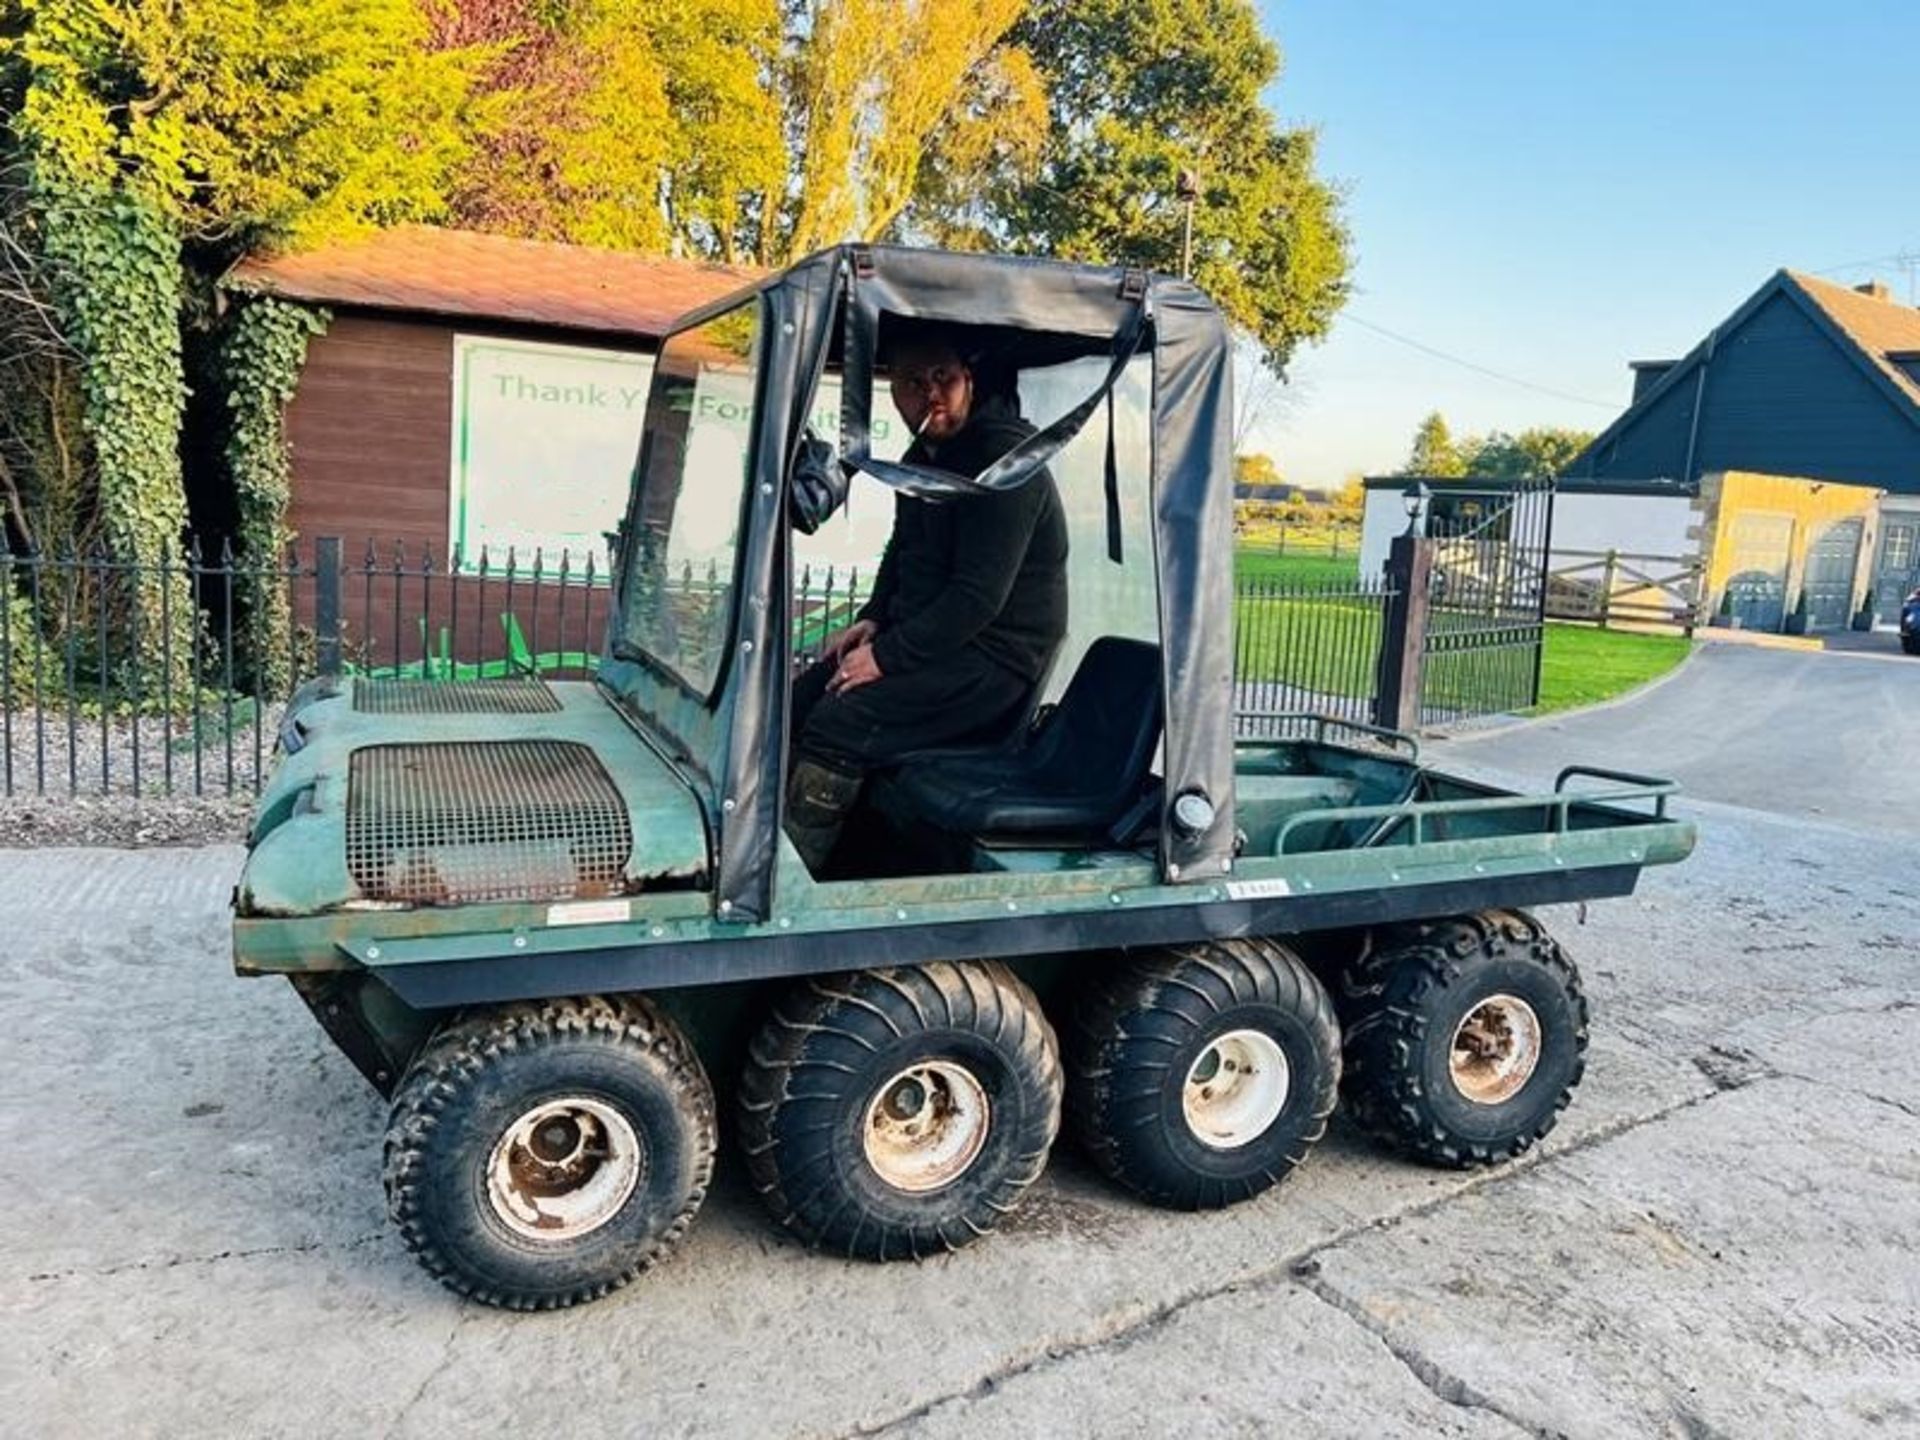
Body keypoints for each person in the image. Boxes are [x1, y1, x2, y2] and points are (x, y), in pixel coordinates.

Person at [785, 325, 1069, 874]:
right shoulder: (926, 454)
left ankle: (798, 883)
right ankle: (822, 847)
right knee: (799, 698)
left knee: (839, 722)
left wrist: (887, 658)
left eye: (943, 378)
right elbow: (905, 548)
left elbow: (976, 598)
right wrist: (872, 618)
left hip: (996, 662)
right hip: (939, 645)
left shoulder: (1006, 464)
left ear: (968, 380)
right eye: (914, 382)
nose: (931, 394)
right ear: (893, 390)